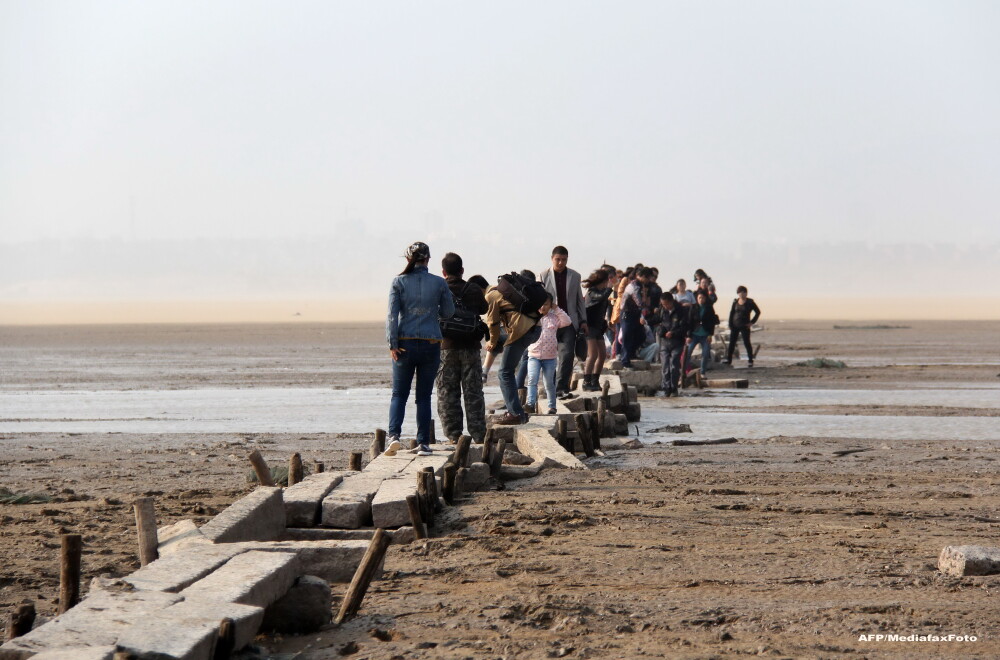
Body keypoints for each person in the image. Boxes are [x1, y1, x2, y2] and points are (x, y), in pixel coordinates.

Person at [386, 242, 455, 456]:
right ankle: (423, 443)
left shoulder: (398, 282)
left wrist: (392, 344)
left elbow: (391, 317)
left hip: (404, 343)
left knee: (399, 394)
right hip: (430, 344)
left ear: (408, 259)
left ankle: (394, 436)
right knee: (423, 396)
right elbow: (448, 312)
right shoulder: (439, 283)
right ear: (428, 259)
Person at [435, 253, 489, 444]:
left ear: (443, 272)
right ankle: (478, 434)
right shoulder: (473, 289)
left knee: (447, 392)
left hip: (445, 348)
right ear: (462, 270)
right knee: (473, 392)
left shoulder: (439, 289)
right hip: (471, 348)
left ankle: (453, 435)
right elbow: (484, 309)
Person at [485, 275, 541, 425]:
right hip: (535, 329)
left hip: (521, 331)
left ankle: (515, 413)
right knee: (508, 366)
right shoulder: (506, 292)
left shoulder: (491, 296)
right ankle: (519, 413)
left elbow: (493, 324)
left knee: (504, 373)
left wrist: (492, 342)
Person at [538, 246, 587, 398]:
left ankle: (561, 387)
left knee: (566, 355)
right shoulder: (543, 275)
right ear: (552, 259)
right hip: (549, 322)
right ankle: (550, 387)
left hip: (569, 321)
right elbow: (538, 299)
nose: (560, 263)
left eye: (563, 260)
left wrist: (583, 320)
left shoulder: (574, 276)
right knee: (549, 355)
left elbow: (579, 300)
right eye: (557, 259)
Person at [525, 294, 572, 415]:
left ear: (550, 305)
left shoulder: (554, 318)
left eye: (546, 304)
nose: (542, 307)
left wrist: (556, 309)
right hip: (533, 356)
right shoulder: (532, 318)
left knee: (549, 383)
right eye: (540, 304)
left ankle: (552, 407)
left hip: (550, 358)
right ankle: (530, 404)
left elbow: (567, 321)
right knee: (532, 379)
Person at [581, 268, 613, 391]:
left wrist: (606, 322)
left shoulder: (603, 292)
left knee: (602, 355)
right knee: (593, 354)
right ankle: (586, 381)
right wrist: (609, 289)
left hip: (598, 327)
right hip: (589, 327)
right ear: (603, 281)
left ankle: (595, 380)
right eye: (606, 281)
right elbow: (600, 298)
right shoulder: (592, 292)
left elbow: (605, 306)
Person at [620, 267, 653, 367]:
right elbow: (639, 302)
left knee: (641, 335)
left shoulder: (641, 285)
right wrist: (645, 311)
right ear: (643, 276)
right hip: (627, 313)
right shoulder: (634, 285)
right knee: (628, 337)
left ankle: (632, 354)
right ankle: (625, 360)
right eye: (648, 278)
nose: (648, 280)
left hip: (635, 314)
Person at [656, 293, 688, 396]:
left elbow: (684, 327)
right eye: (663, 304)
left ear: (671, 301)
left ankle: (674, 388)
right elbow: (659, 323)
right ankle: (666, 388)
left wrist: (673, 333)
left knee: (674, 365)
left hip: (677, 342)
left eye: (666, 304)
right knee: (665, 365)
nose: (665, 306)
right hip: (665, 342)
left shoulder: (681, 311)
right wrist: (661, 332)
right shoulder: (662, 311)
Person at [684, 289, 720, 377]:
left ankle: (703, 373)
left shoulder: (709, 308)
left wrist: (710, 334)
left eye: (703, 298)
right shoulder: (693, 307)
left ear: (705, 298)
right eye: (699, 298)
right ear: (697, 298)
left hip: (705, 335)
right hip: (694, 334)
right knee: (688, 353)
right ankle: (684, 372)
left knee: (705, 353)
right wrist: (688, 335)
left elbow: (712, 322)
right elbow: (689, 322)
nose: (701, 299)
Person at [725, 285, 761, 367]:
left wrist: (751, 322)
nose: (742, 294)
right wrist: (730, 324)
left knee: (747, 343)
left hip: (745, 325)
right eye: (740, 293)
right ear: (738, 293)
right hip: (735, 325)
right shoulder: (735, 302)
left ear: (746, 293)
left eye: (744, 292)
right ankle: (728, 360)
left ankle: (750, 360)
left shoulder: (750, 302)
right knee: (732, 343)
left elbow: (758, 312)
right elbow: (731, 313)